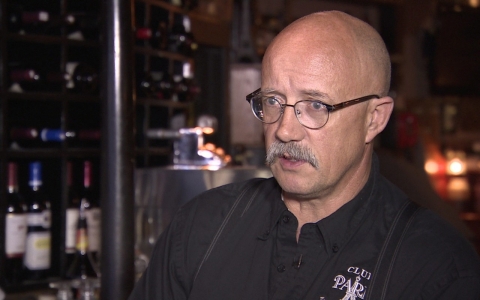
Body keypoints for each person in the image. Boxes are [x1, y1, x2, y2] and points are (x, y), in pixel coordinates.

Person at [129, 11, 480, 299]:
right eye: (272, 101)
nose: (284, 130)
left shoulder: (435, 267)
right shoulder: (200, 228)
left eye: (316, 105)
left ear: (374, 119)